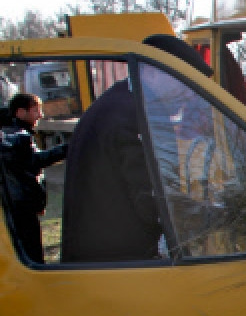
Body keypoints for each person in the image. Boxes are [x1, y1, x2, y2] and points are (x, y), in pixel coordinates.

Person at [61, 34, 213, 263]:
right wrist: (211, 214)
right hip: (115, 265)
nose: (189, 94)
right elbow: (152, 200)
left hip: (100, 260)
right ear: (152, 71)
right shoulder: (135, 115)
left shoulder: (118, 103)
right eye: (183, 83)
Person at [1, 93, 68, 263]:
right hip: (21, 207)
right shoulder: (18, 137)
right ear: (20, 112)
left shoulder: (10, 135)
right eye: (35, 110)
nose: (40, 115)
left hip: (16, 206)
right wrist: (68, 148)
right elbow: (35, 161)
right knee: (32, 255)